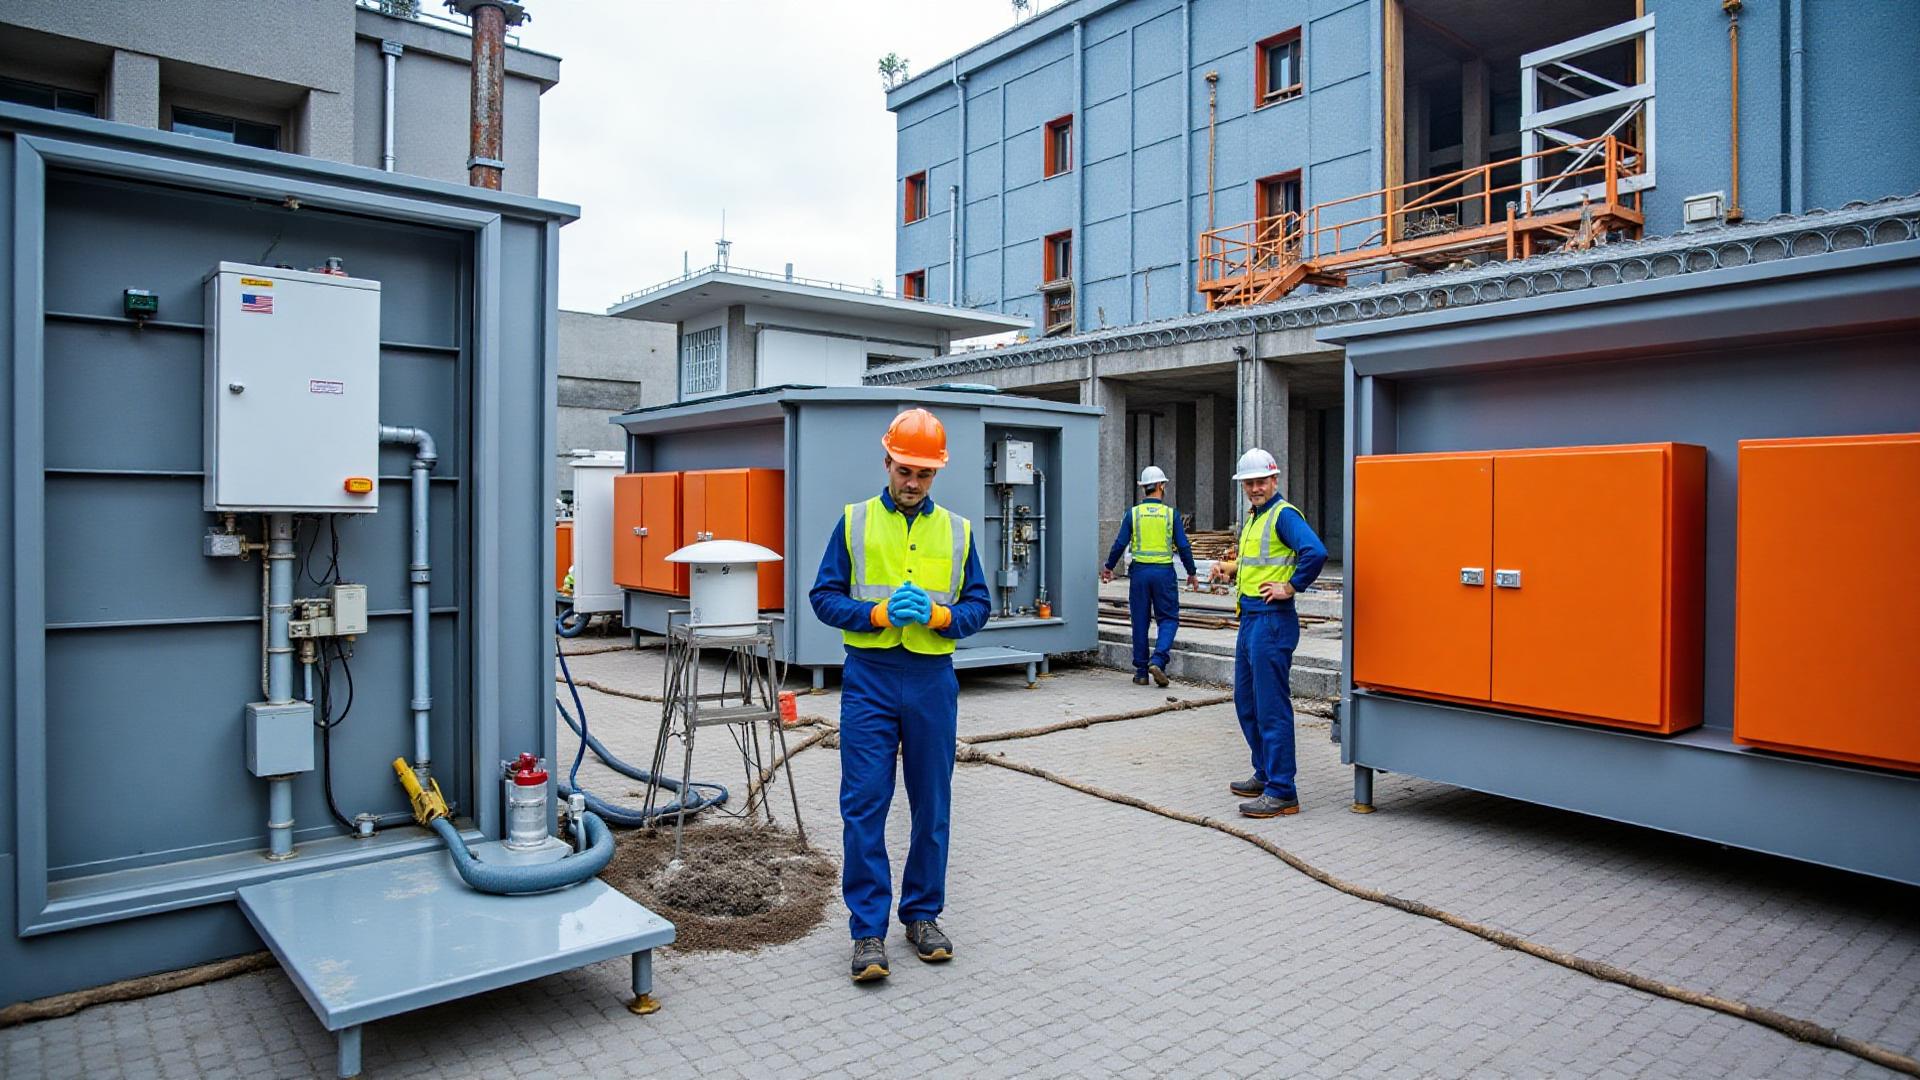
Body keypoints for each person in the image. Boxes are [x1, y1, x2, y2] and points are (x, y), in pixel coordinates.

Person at [809, 407, 992, 983]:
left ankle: (922, 916)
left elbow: (979, 605)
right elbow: (823, 597)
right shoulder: (854, 521)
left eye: (924, 473)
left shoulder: (958, 530)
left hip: (932, 678)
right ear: (887, 461)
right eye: (905, 470)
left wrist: (942, 616)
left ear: (937, 472)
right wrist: (874, 614)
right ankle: (867, 930)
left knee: (932, 804)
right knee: (864, 803)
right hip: (870, 676)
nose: (913, 482)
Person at [1215, 448, 1327, 818]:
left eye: (1261, 482)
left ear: (1274, 480)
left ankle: (1282, 791)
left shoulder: (1283, 515)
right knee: (1246, 702)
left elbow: (1315, 552)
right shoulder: (1256, 517)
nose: (1255, 488)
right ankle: (1264, 773)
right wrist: (1232, 568)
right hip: (1251, 618)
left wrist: (1290, 587)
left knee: (1271, 707)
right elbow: (1260, 562)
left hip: (1272, 620)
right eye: (1249, 483)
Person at [1101, 466, 1199, 687]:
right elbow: (1183, 546)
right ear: (1162, 486)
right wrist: (1192, 572)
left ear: (1143, 488)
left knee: (1140, 620)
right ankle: (1159, 659)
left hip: (1140, 574)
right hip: (1164, 574)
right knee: (1169, 619)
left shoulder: (1133, 514)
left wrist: (1109, 566)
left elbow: (1120, 543)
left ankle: (1141, 672)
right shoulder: (1171, 514)